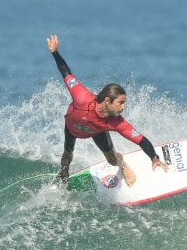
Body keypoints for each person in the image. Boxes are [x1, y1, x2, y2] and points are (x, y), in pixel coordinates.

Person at [46, 35, 167, 186]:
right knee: (67, 154)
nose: (123, 107)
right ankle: (63, 174)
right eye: (120, 103)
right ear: (108, 100)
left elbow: (141, 140)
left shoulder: (116, 122)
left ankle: (123, 165)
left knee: (112, 160)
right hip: (72, 127)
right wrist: (55, 52)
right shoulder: (81, 97)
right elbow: (65, 72)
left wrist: (154, 158)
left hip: (96, 131)